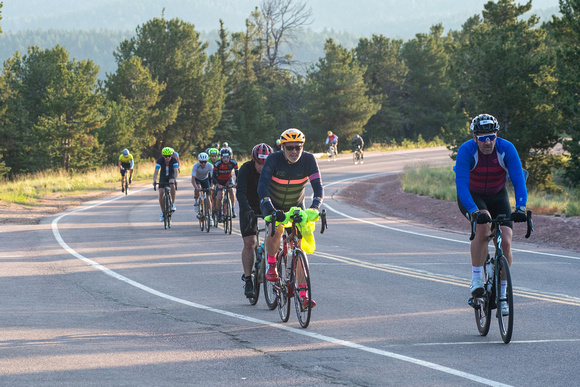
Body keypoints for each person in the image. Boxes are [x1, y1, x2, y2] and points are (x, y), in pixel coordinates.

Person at [455, 113, 528, 316]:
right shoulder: (466, 151)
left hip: (498, 195)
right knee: (483, 224)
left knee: (505, 240)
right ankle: (477, 279)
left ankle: (502, 296)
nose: (487, 142)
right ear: (474, 138)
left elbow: (518, 180)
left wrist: (520, 207)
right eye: (482, 137)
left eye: (491, 137)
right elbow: (461, 186)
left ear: (496, 136)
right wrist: (474, 211)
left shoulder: (506, 149)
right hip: (472, 196)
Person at [258, 128, 323, 308]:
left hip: (296, 205)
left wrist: (315, 207)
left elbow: (318, 187)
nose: (294, 151)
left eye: (298, 147)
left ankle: (303, 295)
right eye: (290, 148)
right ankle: (271, 264)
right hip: (273, 204)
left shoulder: (309, 160)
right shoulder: (274, 159)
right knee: (276, 229)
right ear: (282, 147)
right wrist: (269, 208)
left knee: (298, 247)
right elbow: (262, 186)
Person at [236, 143, 273, 298]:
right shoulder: (245, 169)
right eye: (259, 164)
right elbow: (240, 193)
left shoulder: (273, 169)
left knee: (275, 236)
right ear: (253, 160)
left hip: (268, 205)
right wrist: (247, 211)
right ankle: (248, 278)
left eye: (265, 164)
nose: (262, 168)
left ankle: (273, 270)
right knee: (250, 242)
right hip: (249, 206)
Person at [153, 147, 179, 222]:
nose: (167, 158)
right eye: (166, 156)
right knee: (161, 192)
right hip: (163, 176)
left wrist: (175, 179)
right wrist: (154, 180)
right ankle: (163, 212)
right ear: (163, 156)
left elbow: (176, 171)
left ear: (171, 155)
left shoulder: (174, 160)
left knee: (171, 182)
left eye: (169, 156)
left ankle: (173, 203)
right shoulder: (160, 160)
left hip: (171, 175)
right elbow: (156, 172)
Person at [213, 149, 239, 221]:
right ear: (221, 157)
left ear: (230, 157)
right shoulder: (217, 164)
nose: (226, 159)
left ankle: (233, 209)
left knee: (231, 190)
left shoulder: (233, 163)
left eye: (227, 157)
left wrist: (236, 183)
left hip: (228, 180)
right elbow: (213, 177)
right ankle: (219, 213)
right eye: (224, 158)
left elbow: (238, 174)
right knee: (219, 197)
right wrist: (217, 185)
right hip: (219, 181)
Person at [191, 152, 214, 226]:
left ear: (207, 161)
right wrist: (196, 187)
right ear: (199, 161)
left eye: (205, 162)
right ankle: (196, 202)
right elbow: (193, 179)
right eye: (201, 162)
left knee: (208, 198)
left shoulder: (210, 166)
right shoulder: (196, 166)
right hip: (197, 179)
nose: (203, 164)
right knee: (199, 188)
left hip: (205, 179)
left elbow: (213, 178)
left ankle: (209, 216)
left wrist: (212, 186)